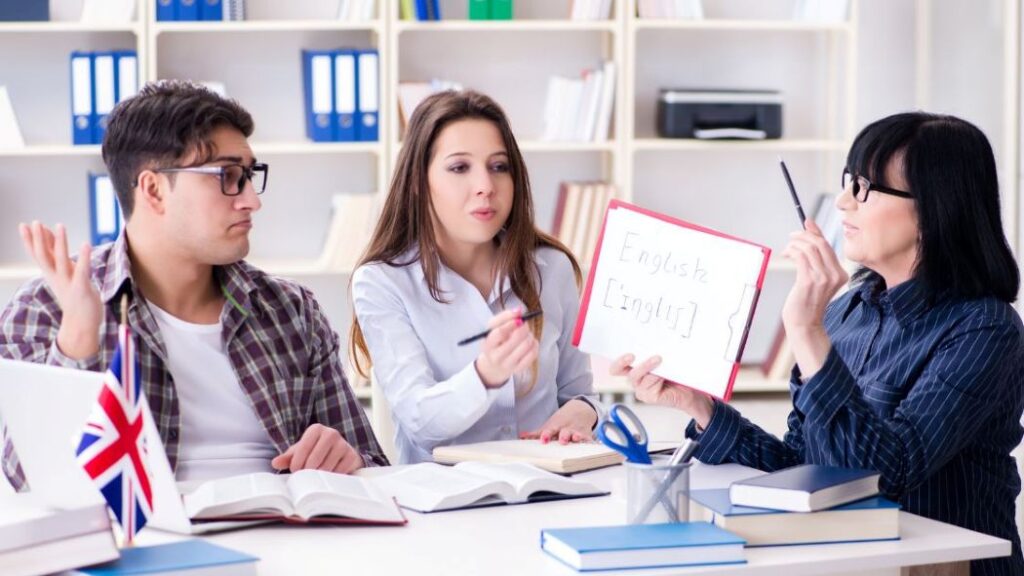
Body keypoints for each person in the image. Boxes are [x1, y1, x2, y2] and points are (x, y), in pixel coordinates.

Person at [613, 112, 1023, 575]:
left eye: (864, 189)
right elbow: (804, 464)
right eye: (848, 182)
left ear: (933, 210)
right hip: (851, 561)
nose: (843, 204)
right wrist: (700, 406)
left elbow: (886, 477)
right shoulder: (847, 311)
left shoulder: (985, 330)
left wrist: (807, 333)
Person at [0, 80, 387, 487]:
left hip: (284, 535)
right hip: (143, 542)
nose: (252, 200)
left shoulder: (290, 309)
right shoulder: (47, 305)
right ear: (153, 190)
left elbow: (373, 465)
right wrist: (78, 343)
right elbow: (21, 482)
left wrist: (349, 459)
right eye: (228, 176)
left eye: (250, 175)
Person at [349, 90, 602, 464]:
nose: (486, 185)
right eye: (459, 168)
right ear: (419, 181)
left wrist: (584, 413)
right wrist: (485, 375)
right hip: (446, 505)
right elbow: (420, 421)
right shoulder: (382, 282)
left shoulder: (552, 268)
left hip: (550, 490)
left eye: (499, 166)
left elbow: (578, 391)